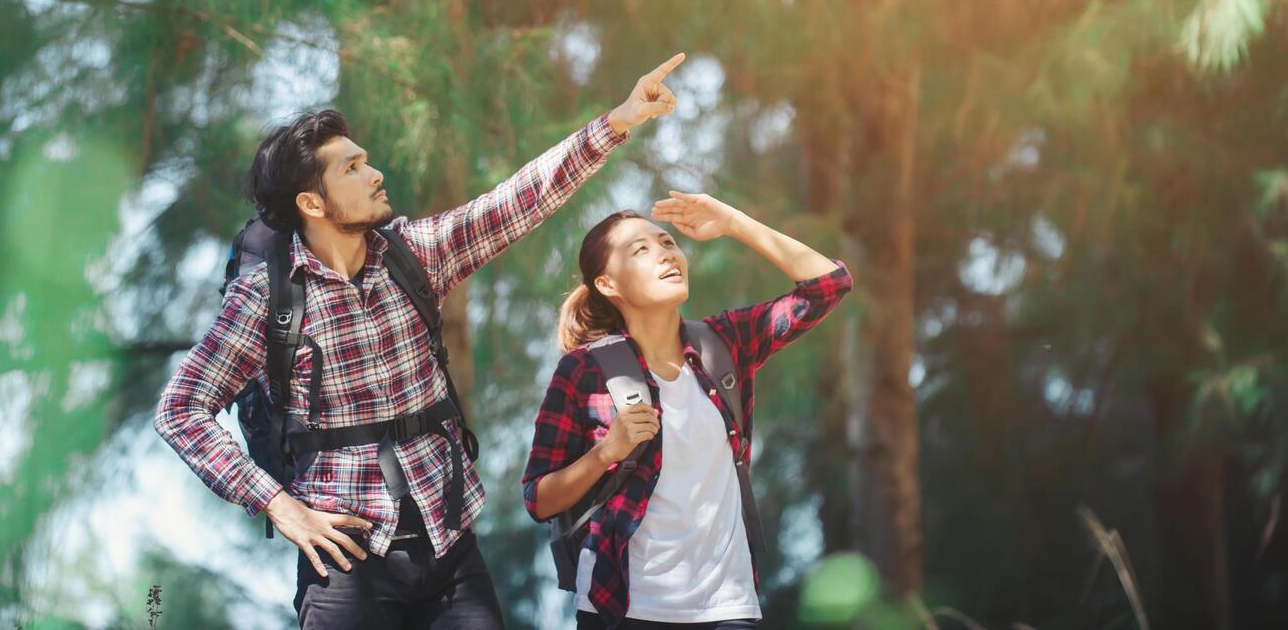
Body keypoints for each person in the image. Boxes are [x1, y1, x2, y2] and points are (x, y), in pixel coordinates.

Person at [153, 53, 686, 630]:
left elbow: (518, 201)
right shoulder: (265, 300)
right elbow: (181, 410)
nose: (374, 172)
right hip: (347, 564)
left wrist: (618, 123)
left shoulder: (414, 255)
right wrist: (279, 505)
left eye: (366, 160)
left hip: (451, 547)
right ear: (312, 203)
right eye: (352, 168)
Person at [523, 193, 854, 628]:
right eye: (641, 250)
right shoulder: (585, 369)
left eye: (667, 243)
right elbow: (539, 499)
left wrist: (734, 221)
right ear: (608, 284)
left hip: (728, 605)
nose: (666, 255)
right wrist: (606, 452)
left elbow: (828, 284)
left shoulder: (723, 343)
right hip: (623, 606)